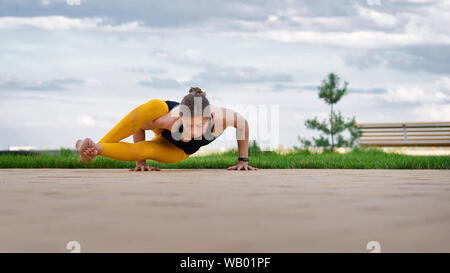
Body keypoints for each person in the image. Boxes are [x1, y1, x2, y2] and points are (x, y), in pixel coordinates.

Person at [75, 87, 258, 171]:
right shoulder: (168, 120)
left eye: (199, 125)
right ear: (180, 118)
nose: (194, 131)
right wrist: (141, 162)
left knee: (149, 148)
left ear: (209, 118)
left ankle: (95, 148)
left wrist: (243, 160)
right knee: (153, 105)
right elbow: (138, 126)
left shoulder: (222, 118)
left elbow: (243, 124)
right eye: (189, 125)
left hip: (177, 150)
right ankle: (95, 147)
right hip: (165, 126)